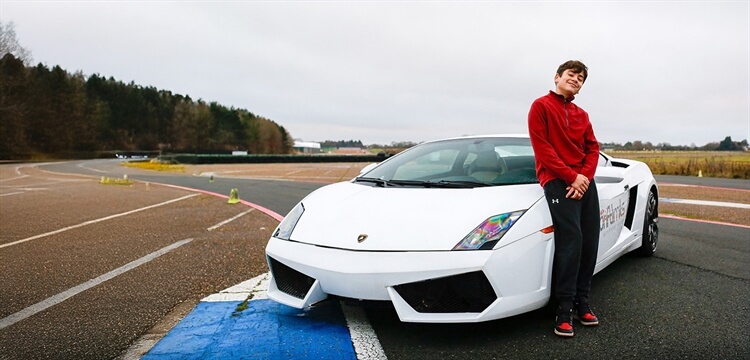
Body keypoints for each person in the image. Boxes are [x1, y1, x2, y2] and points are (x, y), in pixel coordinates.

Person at [527, 60, 601, 337]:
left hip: (583, 183)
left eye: (581, 78)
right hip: (558, 182)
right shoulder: (540, 106)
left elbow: (593, 149)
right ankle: (564, 309)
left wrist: (584, 178)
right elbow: (543, 148)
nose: (576, 80)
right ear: (557, 77)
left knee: (589, 242)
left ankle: (583, 302)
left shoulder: (582, 115)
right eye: (571, 75)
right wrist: (572, 177)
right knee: (572, 242)